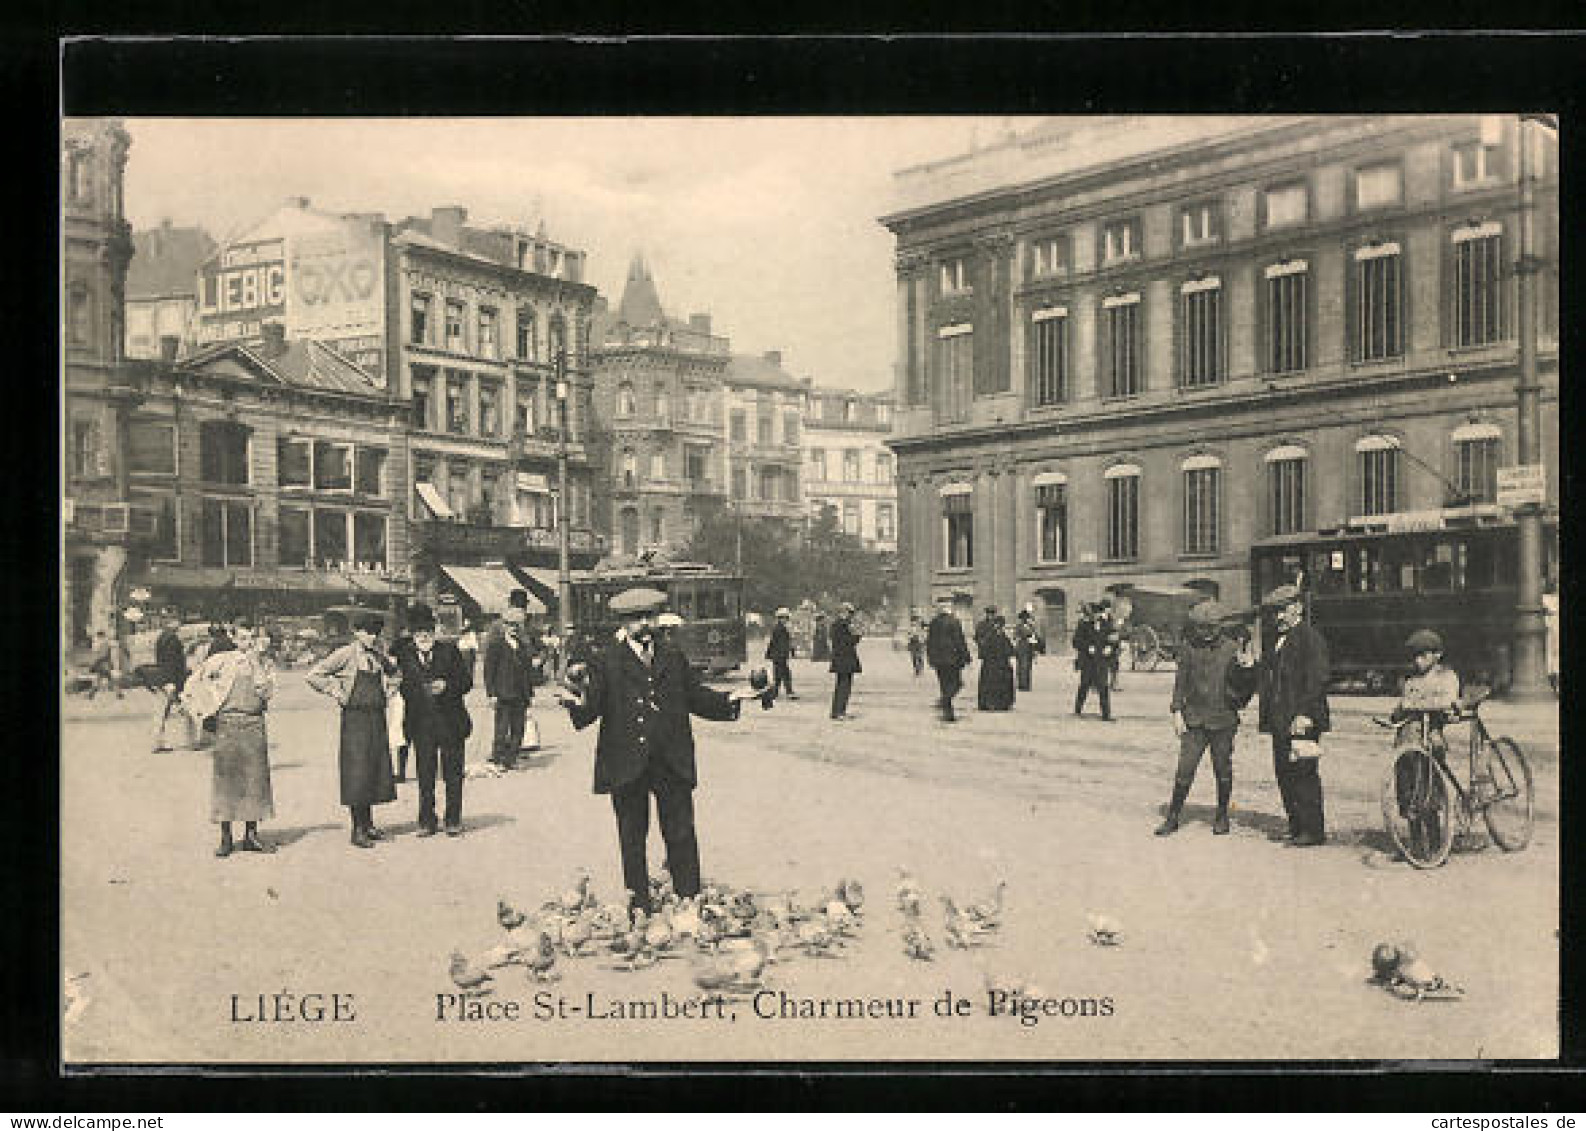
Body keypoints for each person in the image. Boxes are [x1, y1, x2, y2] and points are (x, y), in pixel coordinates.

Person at [557, 586, 763, 912]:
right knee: (632, 837)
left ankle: (689, 900)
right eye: (636, 619)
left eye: (648, 616)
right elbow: (591, 707)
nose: (644, 624)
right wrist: (576, 701)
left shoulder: (672, 655)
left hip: (671, 759)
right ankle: (638, 904)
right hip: (626, 762)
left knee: (681, 832)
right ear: (623, 623)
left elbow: (694, 696)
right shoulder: (605, 660)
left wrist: (731, 699)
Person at [1155, 601, 1259, 837]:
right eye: (1200, 628)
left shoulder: (1233, 649)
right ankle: (1173, 817)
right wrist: (1176, 711)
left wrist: (1249, 668)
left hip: (1223, 720)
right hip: (1194, 720)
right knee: (1184, 769)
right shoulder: (1189, 649)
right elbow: (1180, 681)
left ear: (1219, 627)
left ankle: (1222, 816)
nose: (1204, 633)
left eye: (1209, 627)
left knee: (1222, 769)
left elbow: (1246, 688)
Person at [180, 618, 276, 857]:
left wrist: (256, 665)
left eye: (252, 638)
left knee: (255, 781)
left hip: (254, 723)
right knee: (227, 782)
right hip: (227, 725)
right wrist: (204, 709)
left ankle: (251, 835)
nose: (248, 643)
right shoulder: (220, 661)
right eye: (243, 638)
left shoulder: (264, 663)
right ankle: (226, 837)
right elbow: (193, 683)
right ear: (233, 638)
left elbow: (267, 692)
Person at [307, 613, 399, 849]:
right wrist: (336, 692)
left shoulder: (378, 656)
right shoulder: (345, 654)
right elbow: (314, 675)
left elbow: (396, 674)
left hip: (376, 718)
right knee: (357, 772)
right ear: (357, 632)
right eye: (367, 632)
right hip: (355, 719)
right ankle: (357, 830)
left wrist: (389, 690)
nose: (372, 637)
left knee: (374, 771)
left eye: (375, 633)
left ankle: (368, 825)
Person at [1255, 585, 1332, 847]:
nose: (1278, 616)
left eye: (1283, 610)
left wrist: (1304, 714)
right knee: (1284, 773)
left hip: (1302, 719)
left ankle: (1313, 831)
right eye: (1275, 611)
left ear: (1297, 608)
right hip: (1281, 719)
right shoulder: (1276, 639)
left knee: (1304, 773)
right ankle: (1296, 825)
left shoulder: (1310, 638)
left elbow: (1318, 679)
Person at [396, 602, 474, 838]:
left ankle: (453, 819)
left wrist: (448, 686)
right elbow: (400, 684)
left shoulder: (449, 652)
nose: (424, 636)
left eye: (428, 631)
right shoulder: (404, 655)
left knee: (453, 774)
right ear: (412, 635)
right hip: (421, 724)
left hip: (451, 722)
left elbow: (466, 682)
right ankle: (427, 820)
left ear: (435, 631)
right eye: (419, 633)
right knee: (425, 775)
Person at [484, 607, 540, 769]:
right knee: (501, 728)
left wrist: (529, 693)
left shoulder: (522, 646)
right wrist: (491, 693)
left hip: (520, 693)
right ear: (504, 626)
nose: (513, 628)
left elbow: (527, 671)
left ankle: (511, 759)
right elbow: (489, 671)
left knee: (518, 728)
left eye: (516, 625)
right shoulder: (496, 645)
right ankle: (498, 758)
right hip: (503, 693)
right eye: (510, 625)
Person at [151, 614, 194, 751]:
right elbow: (170, 662)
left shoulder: (164, 637)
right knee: (186, 709)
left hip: (164, 679)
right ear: (171, 623)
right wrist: (170, 682)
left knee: (161, 713)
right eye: (178, 621)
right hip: (171, 681)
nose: (180, 624)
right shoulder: (171, 639)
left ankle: (159, 742)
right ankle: (191, 741)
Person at [926, 599, 972, 723]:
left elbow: (929, 643)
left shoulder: (933, 623)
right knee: (957, 683)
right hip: (952, 659)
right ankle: (945, 701)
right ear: (949, 609)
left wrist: (930, 658)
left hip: (938, 660)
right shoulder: (954, 622)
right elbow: (959, 640)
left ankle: (948, 712)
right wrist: (966, 657)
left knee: (944, 685)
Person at [1072, 604, 1115, 721]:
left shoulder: (1107, 625)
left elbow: (1113, 638)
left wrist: (1110, 647)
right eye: (1094, 615)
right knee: (1084, 685)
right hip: (1088, 662)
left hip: (1102, 661)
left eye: (1098, 614)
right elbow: (1076, 642)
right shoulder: (1083, 625)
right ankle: (1078, 709)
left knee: (1103, 686)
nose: (1096, 617)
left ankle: (1106, 714)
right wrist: (1087, 647)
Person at [828, 602, 863, 721]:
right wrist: (857, 636)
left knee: (842, 685)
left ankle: (838, 711)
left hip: (840, 658)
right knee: (844, 686)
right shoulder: (842, 625)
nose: (850, 616)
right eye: (850, 613)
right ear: (845, 612)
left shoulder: (837, 624)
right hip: (845, 658)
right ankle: (839, 712)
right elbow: (847, 642)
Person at [977, 613, 1017, 711]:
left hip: (993, 665)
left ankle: (996, 703)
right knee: (996, 683)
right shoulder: (997, 636)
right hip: (997, 665)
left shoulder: (993, 636)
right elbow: (1010, 651)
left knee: (993, 683)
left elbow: (983, 651)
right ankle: (996, 703)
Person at [765, 607, 798, 700]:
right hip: (779, 655)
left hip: (778, 655)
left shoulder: (779, 628)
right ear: (780, 618)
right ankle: (787, 692)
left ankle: (776, 693)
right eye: (784, 618)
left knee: (779, 675)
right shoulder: (780, 629)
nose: (785, 620)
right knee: (784, 674)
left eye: (786, 618)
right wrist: (787, 653)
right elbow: (781, 644)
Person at [1013, 608, 1044, 693]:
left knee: (1028, 666)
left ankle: (1027, 684)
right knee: (1021, 666)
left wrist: (1035, 645)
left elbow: (1034, 636)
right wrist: (1022, 638)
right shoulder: (1018, 626)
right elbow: (1015, 636)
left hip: (1029, 647)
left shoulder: (1031, 626)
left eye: (1026, 618)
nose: (1025, 619)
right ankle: (1021, 684)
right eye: (1024, 618)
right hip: (1021, 647)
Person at [1099, 599, 1124, 691]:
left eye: (1109, 608)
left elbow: (1115, 631)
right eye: (1107, 608)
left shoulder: (1110, 618)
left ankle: (1113, 684)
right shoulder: (1099, 619)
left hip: (1112, 645)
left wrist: (1118, 645)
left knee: (1114, 665)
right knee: (1102, 666)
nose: (1108, 610)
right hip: (1103, 645)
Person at [88, 630, 120, 700]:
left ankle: (91, 693)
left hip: (100, 664)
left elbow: (96, 654)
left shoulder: (99, 644)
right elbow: (104, 655)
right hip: (104, 664)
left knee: (99, 678)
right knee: (112, 678)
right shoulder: (105, 643)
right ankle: (118, 693)